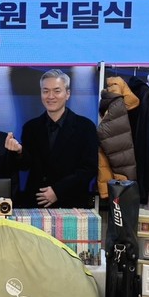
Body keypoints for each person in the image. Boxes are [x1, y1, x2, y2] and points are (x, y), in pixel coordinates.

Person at [17, 69, 98, 209]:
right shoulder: (31, 127)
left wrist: (57, 191)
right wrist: (19, 152)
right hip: (36, 203)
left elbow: (89, 169)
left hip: (72, 204)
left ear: (67, 94)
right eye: (45, 91)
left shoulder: (85, 127)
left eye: (57, 91)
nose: (50, 96)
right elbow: (26, 166)